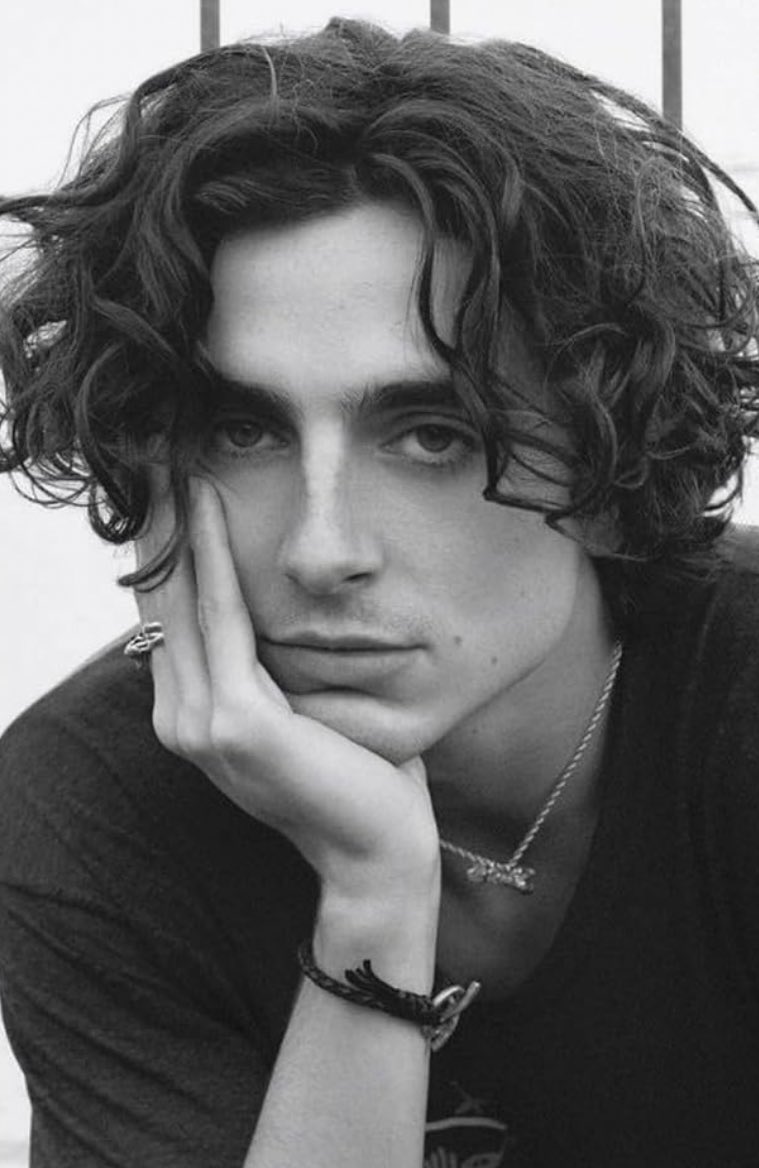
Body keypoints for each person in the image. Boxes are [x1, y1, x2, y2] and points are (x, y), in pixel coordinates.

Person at [1, 16, 758, 1168]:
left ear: (609, 468)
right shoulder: (91, 810)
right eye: (243, 429)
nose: (322, 550)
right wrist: (371, 892)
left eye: (433, 433)